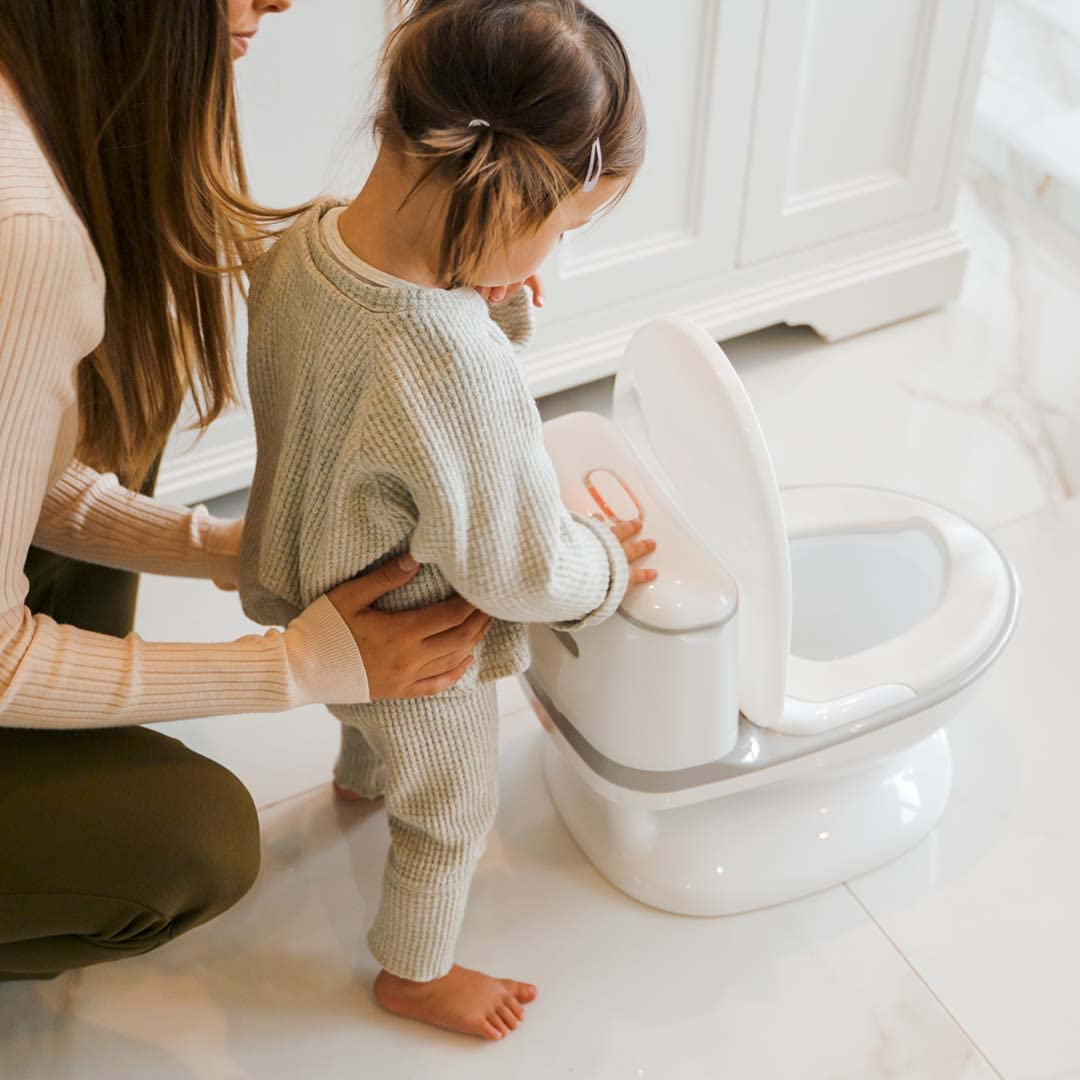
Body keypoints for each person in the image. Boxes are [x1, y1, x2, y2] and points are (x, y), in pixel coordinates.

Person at [0, 0, 492, 981]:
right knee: (194, 841)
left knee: (111, 431)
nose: (279, 1)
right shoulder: (25, 234)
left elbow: (33, 482)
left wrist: (235, 552)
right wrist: (295, 667)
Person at [238, 0, 650, 1041]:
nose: (555, 251)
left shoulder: (303, 244)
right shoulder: (455, 366)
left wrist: (492, 291)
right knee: (454, 803)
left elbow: (371, 400)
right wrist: (605, 566)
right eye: (565, 226)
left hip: (307, 581)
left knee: (373, 726)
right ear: (507, 190)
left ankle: (360, 777)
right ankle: (415, 971)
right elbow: (518, 568)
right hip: (417, 643)